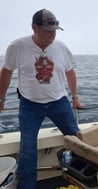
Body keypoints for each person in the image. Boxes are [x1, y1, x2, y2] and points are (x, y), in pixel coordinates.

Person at [0, 9, 84, 189]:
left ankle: (85, 178)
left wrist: (75, 97)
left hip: (59, 103)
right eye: (48, 30)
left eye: (55, 30)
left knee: (78, 141)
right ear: (34, 27)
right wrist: (1, 100)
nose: (52, 35)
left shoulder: (61, 47)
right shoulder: (17, 47)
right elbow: (6, 72)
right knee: (27, 151)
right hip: (30, 105)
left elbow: (70, 73)